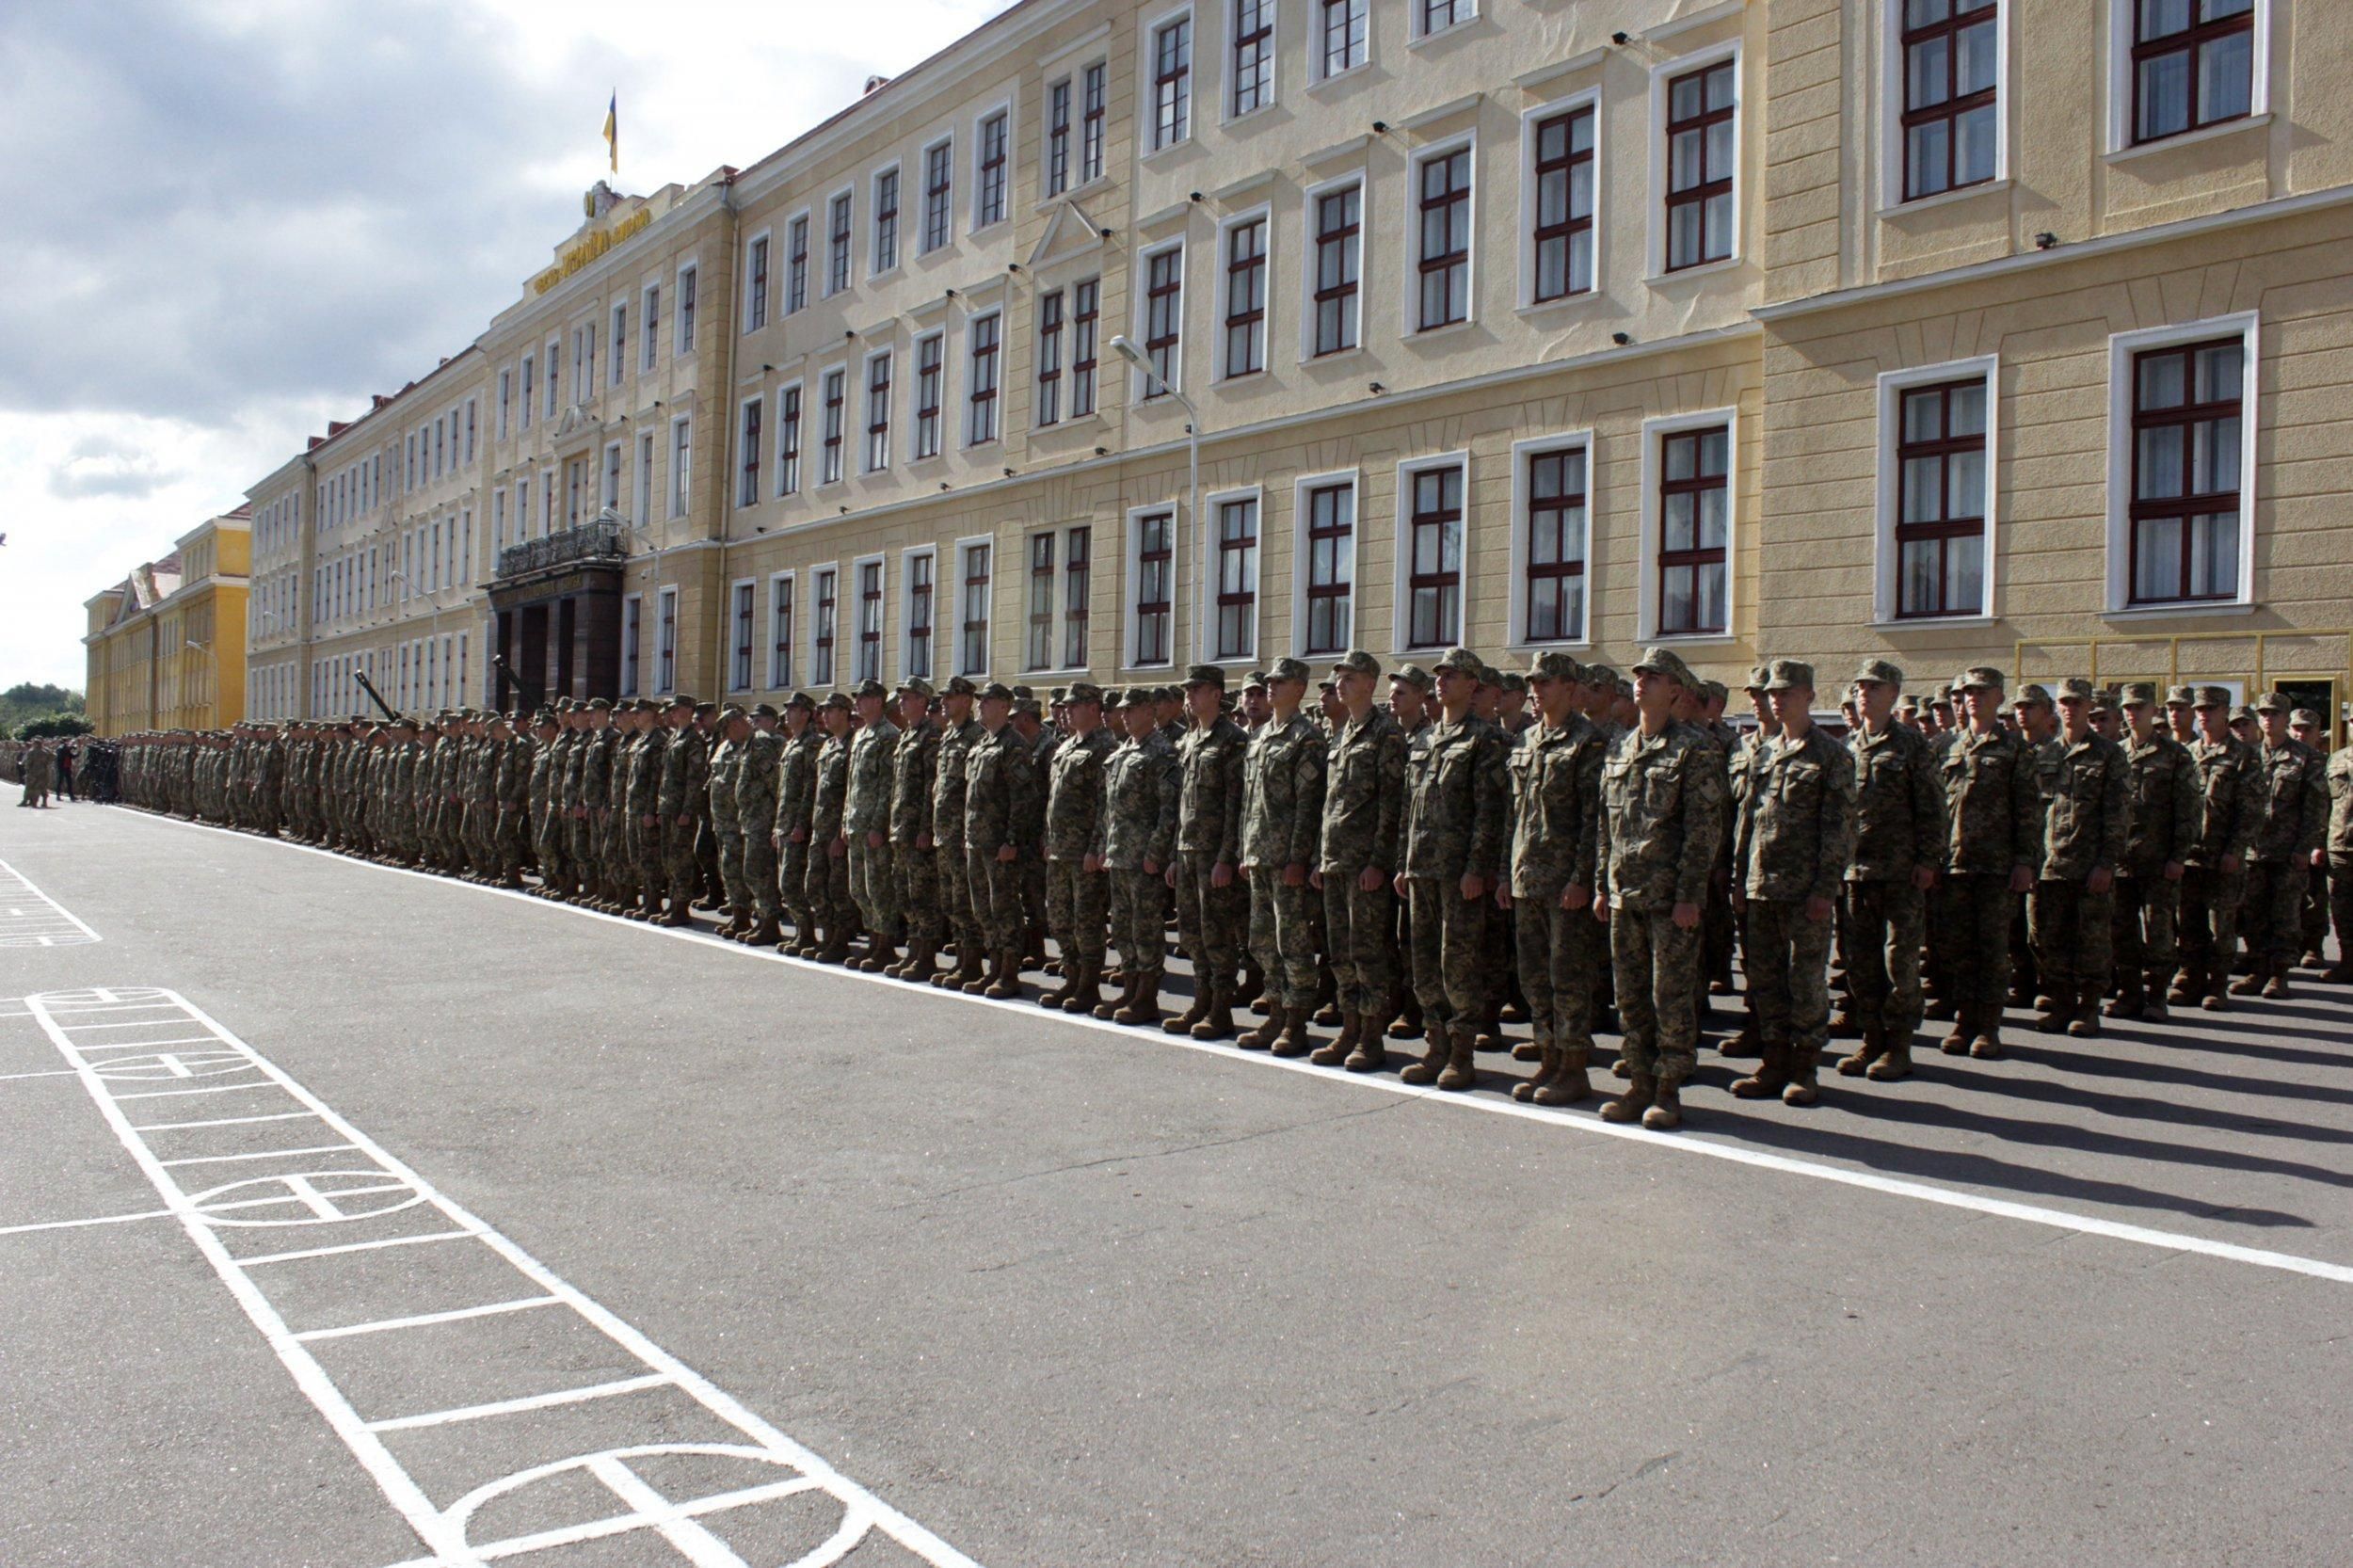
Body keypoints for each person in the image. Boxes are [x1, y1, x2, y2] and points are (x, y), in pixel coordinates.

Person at [1595, 648, 1727, 1130]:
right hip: (1624, 893)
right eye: (1638, 675)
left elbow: (1703, 831)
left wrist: (1690, 895)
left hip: (1670, 897)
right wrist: (1600, 885)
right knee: (1629, 995)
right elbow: (1605, 826)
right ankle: (1639, 1083)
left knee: (1669, 994)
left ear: (1675, 690)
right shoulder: (1621, 746)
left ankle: (1668, 1089)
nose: (1641, 682)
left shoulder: (1695, 749)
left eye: (1653, 677)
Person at [1729, 660, 1856, 1105]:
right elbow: (1747, 822)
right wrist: (1738, 880)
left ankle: (1805, 1068)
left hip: (1804, 892)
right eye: (1771, 693)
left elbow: (1839, 829)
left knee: (1804, 981)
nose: (1775, 699)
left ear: (1809, 697)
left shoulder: (1831, 755)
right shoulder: (1762, 751)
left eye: (1786, 692)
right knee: (1764, 980)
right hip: (1760, 886)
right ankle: (1773, 1060)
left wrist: (1825, 889)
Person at [1395, 648, 1510, 1092]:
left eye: (1453, 675)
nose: (1442, 681)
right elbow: (1410, 807)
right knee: (1423, 963)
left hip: (1458, 872)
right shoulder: (1423, 739)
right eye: (1440, 675)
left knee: (1457, 964)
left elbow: (1489, 811)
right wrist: (1404, 862)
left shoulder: (1486, 739)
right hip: (1422, 868)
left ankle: (1462, 1054)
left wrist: (1477, 867)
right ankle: (1436, 1045)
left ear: (1473, 686)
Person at [1501, 651, 1606, 1104]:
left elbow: (1593, 819)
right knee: (1535, 979)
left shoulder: (1588, 741)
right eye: (1533, 683)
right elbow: (1515, 814)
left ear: (1570, 688)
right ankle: (1549, 1057)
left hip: (1564, 883)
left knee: (1569, 978)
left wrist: (1582, 878)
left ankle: (1574, 1068)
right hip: (1528, 876)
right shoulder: (1525, 741)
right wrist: (1506, 872)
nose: (1537, 690)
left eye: (1546, 682)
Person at [1837, 659, 1944, 1081]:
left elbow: (1933, 807)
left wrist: (1927, 860)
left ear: (1894, 694)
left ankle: (1899, 1046)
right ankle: (1872, 1039)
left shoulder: (1912, 745)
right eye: (1861, 686)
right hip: (1855, 871)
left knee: (1899, 961)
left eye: (1875, 687)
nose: (1865, 693)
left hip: (1900, 871)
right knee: (1860, 963)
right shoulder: (1846, 746)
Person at [1938, 668, 2041, 1059]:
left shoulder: (2015, 749)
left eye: (1981, 692)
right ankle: (1964, 1021)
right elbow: (1936, 809)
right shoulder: (1948, 746)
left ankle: (1989, 1028)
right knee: (1959, 949)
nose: (1972, 698)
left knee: (1993, 950)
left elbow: (2028, 811)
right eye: (1966, 692)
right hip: (1955, 865)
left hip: (1997, 866)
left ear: (1999, 697)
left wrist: (2025, 862)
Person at [1313, 650, 1407, 1071]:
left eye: (1349, 677)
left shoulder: (1385, 733)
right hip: (1336, 862)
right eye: (1339, 678)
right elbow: (1331, 804)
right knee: (1341, 953)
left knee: (1367, 952)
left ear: (1370, 684)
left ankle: (1371, 1036)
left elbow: (1392, 805)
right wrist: (1321, 857)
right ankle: (1349, 1029)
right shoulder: (1342, 733)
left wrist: (1379, 862)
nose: (1341, 685)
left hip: (1364, 865)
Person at [2028, 678, 2129, 1036]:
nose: (2070, 709)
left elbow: (2117, 814)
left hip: (2088, 865)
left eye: (2077, 703)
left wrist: (2106, 863)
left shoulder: (2109, 754)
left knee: (2092, 940)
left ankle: (2088, 1008)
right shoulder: (2044, 753)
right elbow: (2031, 813)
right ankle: (2061, 1004)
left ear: (2089, 708)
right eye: (2065, 703)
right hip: (2048, 865)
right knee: (2047, 939)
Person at [1238, 658, 1328, 1056]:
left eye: (1280, 682)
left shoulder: (1305, 738)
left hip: (1286, 860)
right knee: (1262, 941)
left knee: (1292, 942)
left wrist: (1298, 858)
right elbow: (1249, 801)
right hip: (1259, 855)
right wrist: (1245, 847)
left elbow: (1310, 806)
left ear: (1300, 689)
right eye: (1270, 681)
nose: (1271, 688)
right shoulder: (1259, 738)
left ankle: (1295, 1021)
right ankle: (1275, 1012)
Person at [1165, 666, 1250, 1040]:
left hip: (1214, 853)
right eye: (1187, 690)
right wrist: (1173, 854)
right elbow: (1180, 805)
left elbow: (1237, 804)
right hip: (1187, 851)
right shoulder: (1189, 740)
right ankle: (1201, 1000)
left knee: (1217, 933)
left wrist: (1226, 858)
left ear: (1216, 693)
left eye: (1196, 689)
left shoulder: (1232, 739)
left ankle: (1220, 1010)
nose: (1189, 696)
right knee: (1192, 933)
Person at [2233, 692, 2328, 1000]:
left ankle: (2279, 975)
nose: (2268, 719)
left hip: (2287, 851)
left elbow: (2315, 809)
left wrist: (2304, 847)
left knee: (2285, 915)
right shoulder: (2247, 755)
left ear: (2287, 719)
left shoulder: (2307, 757)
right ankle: (2257, 969)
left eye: (2275, 714)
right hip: (2253, 851)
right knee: (2253, 913)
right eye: (2264, 714)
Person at [2111, 683, 2197, 1020]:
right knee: (2122, 931)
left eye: (2139, 707)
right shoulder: (2116, 752)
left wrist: (2178, 856)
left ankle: (2157, 996)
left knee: (2159, 931)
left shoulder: (2175, 755)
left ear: (2153, 710)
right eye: (2128, 708)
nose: (2133, 713)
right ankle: (2129, 993)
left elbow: (2189, 810)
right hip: (2121, 860)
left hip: (2158, 860)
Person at [1096, 687, 1182, 1025]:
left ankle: (1147, 998)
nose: (1125, 716)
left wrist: (1156, 852)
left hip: (1143, 858)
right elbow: (1110, 809)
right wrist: (1105, 846)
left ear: (1149, 712)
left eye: (1132, 710)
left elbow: (1168, 810)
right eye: (1123, 711)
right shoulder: (1123, 751)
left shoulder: (1161, 752)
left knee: (1145, 928)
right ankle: (1130, 989)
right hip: (1120, 855)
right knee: (1122, 927)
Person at [2175, 686, 2258, 1012]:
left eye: (2211, 709)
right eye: (2200, 709)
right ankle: (2192, 978)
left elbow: (2251, 810)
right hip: (2190, 855)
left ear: (2225, 712)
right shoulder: (2188, 753)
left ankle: (2217, 985)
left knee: (2221, 924)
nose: (2204, 715)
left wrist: (2235, 850)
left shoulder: (2244, 756)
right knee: (2189, 922)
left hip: (2222, 854)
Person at [1040, 682, 1117, 1013]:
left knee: (1086, 920)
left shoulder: (1104, 747)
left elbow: (1106, 804)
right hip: (1059, 849)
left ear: (1094, 708)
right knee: (1059, 918)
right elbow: (1053, 800)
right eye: (1066, 705)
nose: (1066, 710)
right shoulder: (1066, 746)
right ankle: (1071, 977)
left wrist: (1096, 847)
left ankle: (1088, 985)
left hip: (1083, 851)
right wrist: (1047, 837)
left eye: (1075, 705)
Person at [963, 681, 1038, 998]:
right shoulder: (982, 744)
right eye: (980, 701)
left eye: (988, 701)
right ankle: (994, 967)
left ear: (1005, 707)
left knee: (1004, 908)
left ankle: (1009, 972)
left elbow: (1023, 798)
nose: (981, 706)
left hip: (999, 845)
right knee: (983, 909)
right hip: (977, 841)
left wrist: (1012, 840)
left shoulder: (1013, 745)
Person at [843, 679, 903, 968]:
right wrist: (846, 818)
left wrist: (878, 825)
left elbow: (887, 786)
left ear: (878, 701)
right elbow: (852, 783)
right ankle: (872, 941)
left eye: (864, 698)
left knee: (879, 888)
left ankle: (885, 946)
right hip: (856, 822)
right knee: (859, 888)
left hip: (872, 826)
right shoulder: (860, 735)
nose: (858, 702)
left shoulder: (888, 735)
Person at [886, 680, 942, 981]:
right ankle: (913, 950)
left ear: (922, 701)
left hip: (917, 830)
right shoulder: (907, 735)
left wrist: (924, 827)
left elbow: (930, 787)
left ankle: (926, 956)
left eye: (907, 698)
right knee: (905, 894)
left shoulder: (931, 736)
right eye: (901, 699)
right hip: (901, 829)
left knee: (922, 895)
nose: (902, 704)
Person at [775, 693, 824, 953]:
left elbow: (810, 787)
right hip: (785, 823)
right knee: (786, 882)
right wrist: (778, 825)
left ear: (805, 714)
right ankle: (800, 932)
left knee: (793, 882)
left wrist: (800, 824)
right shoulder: (792, 743)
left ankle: (807, 933)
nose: (787, 713)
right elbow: (784, 789)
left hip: (798, 826)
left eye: (792, 709)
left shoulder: (813, 743)